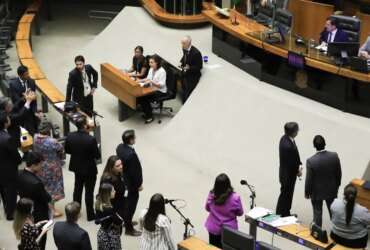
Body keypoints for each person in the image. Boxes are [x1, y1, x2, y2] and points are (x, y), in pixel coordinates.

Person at [65, 115, 101, 221]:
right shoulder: (91, 139)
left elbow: (67, 150)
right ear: (85, 125)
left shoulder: (70, 136)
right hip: (89, 169)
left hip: (76, 166)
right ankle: (90, 215)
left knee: (77, 188)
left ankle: (75, 211)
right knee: (89, 192)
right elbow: (97, 156)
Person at [305, 135, 342, 227]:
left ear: (314, 146)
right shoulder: (334, 156)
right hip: (331, 189)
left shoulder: (311, 161)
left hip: (317, 192)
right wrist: (337, 185)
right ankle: (338, 230)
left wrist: (307, 192)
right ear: (325, 144)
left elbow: (309, 179)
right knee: (333, 211)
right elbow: (339, 173)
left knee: (317, 212)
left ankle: (318, 233)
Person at [17, 152, 51, 250]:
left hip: (25, 211)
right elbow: (47, 198)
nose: (41, 166)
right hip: (38, 214)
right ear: (33, 165)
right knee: (40, 241)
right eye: (40, 164)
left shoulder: (19, 174)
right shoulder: (36, 183)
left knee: (27, 239)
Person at [33, 119, 65, 218]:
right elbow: (61, 151)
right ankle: (52, 209)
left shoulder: (35, 137)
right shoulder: (52, 141)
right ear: (48, 130)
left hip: (40, 166)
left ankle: (46, 206)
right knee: (53, 189)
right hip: (52, 168)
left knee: (44, 187)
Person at [205, 173, 244, 248]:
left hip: (213, 229)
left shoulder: (212, 195)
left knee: (214, 248)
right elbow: (240, 213)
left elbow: (207, 208)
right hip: (229, 231)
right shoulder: (235, 197)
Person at [116, 129, 143, 236]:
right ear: (131, 140)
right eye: (134, 137)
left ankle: (127, 221)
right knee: (131, 205)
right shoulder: (131, 155)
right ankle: (129, 229)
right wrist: (139, 185)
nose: (135, 139)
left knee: (126, 204)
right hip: (131, 184)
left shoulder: (120, 147)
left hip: (124, 180)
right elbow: (135, 173)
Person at [330, 184, 370, 249]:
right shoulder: (362, 211)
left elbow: (333, 216)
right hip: (356, 242)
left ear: (343, 194)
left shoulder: (335, 203)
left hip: (336, 237)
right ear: (356, 196)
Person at [276, 122, 302, 217]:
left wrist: (299, 163)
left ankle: (285, 212)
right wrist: (298, 171)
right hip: (288, 175)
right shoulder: (288, 146)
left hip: (286, 173)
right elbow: (290, 163)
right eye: (297, 130)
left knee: (286, 194)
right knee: (286, 194)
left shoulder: (286, 138)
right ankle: (282, 213)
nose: (298, 131)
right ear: (293, 132)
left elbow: (294, 155)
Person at [0, 111, 22, 220]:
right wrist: (19, 160)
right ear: (5, 123)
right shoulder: (7, 138)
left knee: (3, 191)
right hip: (8, 169)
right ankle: (10, 213)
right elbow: (15, 155)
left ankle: (6, 208)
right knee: (11, 192)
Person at [9, 65, 40, 135]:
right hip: (21, 112)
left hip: (31, 111)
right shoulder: (13, 85)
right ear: (20, 75)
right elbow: (15, 101)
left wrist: (35, 111)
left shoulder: (32, 81)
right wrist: (26, 98)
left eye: (28, 73)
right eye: (26, 74)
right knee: (24, 133)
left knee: (34, 130)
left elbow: (34, 99)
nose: (28, 75)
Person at [138, 54, 167, 124]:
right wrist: (139, 81)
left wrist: (151, 82)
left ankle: (150, 116)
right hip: (152, 88)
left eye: (151, 62)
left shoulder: (162, 71)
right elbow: (148, 78)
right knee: (140, 95)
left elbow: (161, 85)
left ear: (156, 62)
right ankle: (147, 111)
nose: (149, 64)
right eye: (149, 62)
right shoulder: (151, 69)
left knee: (143, 98)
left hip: (160, 91)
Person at [95, 183, 123, 250]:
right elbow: (119, 222)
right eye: (113, 191)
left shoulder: (98, 203)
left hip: (102, 232)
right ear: (107, 194)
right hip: (110, 235)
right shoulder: (109, 209)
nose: (115, 191)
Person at [100, 155, 127, 224]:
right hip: (114, 203)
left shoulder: (118, 172)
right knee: (117, 221)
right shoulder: (107, 179)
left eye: (121, 164)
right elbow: (105, 196)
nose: (121, 166)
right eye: (117, 166)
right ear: (111, 168)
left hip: (121, 199)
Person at [179, 35, 203, 104]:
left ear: (189, 43)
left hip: (192, 77)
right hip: (185, 73)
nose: (182, 45)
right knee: (183, 89)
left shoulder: (196, 53)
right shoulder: (184, 48)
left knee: (188, 92)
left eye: (184, 43)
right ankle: (183, 103)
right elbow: (184, 56)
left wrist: (189, 68)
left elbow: (199, 67)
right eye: (182, 43)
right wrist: (181, 62)